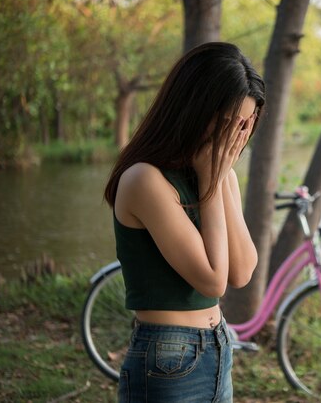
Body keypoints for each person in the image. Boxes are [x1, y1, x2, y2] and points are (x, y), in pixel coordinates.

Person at [103, 42, 265, 402]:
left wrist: (219, 177)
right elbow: (212, 279)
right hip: (168, 357)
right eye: (227, 124)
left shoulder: (216, 174)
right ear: (194, 109)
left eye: (244, 126)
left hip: (218, 345)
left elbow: (242, 272)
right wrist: (212, 180)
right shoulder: (144, 179)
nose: (234, 138)